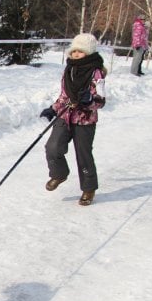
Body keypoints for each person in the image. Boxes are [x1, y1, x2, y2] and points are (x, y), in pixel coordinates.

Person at [39, 33, 107, 206]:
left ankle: (89, 188)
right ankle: (59, 174)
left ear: (89, 52)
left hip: (85, 119)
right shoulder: (69, 70)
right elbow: (64, 95)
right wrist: (53, 109)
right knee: (52, 147)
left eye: (81, 51)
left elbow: (101, 100)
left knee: (83, 154)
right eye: (74, 51)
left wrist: (89, 101)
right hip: (66, 115)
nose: (76, 54)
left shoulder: (96, 72)